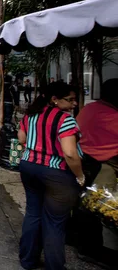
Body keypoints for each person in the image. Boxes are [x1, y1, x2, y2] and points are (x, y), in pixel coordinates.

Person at [17, 81, 84, 270]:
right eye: (69, 100)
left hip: (29, 167)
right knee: (55, 221)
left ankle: (27, 260)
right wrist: (79, 175)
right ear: (54, 99)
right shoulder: (65, 120)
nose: (74, 104)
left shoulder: (31, 116)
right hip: (56, 174)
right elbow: (70, 153)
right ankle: (55, 266)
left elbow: (21, 139)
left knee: (33, 213)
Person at [73, 78, 118, 265]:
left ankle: (79, 242)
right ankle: (92, 251)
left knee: (82, 206)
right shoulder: (114, 116)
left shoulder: (88, 109)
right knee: (101, 210)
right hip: (103, 168)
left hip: (81, 163)